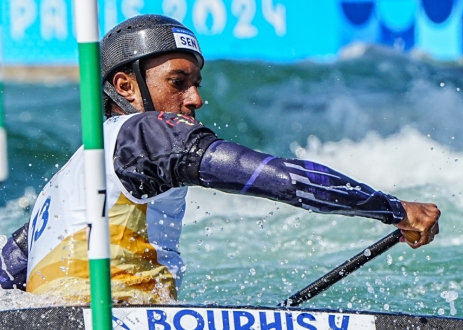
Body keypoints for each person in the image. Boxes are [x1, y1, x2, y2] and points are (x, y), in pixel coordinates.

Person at [0, 14, 440, 303]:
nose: (196, 98)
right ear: (126, 87)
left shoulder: (65, 184)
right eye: (179, 81)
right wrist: (393, 209)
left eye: (196, 81)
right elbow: (281, 178)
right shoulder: (145, 133)